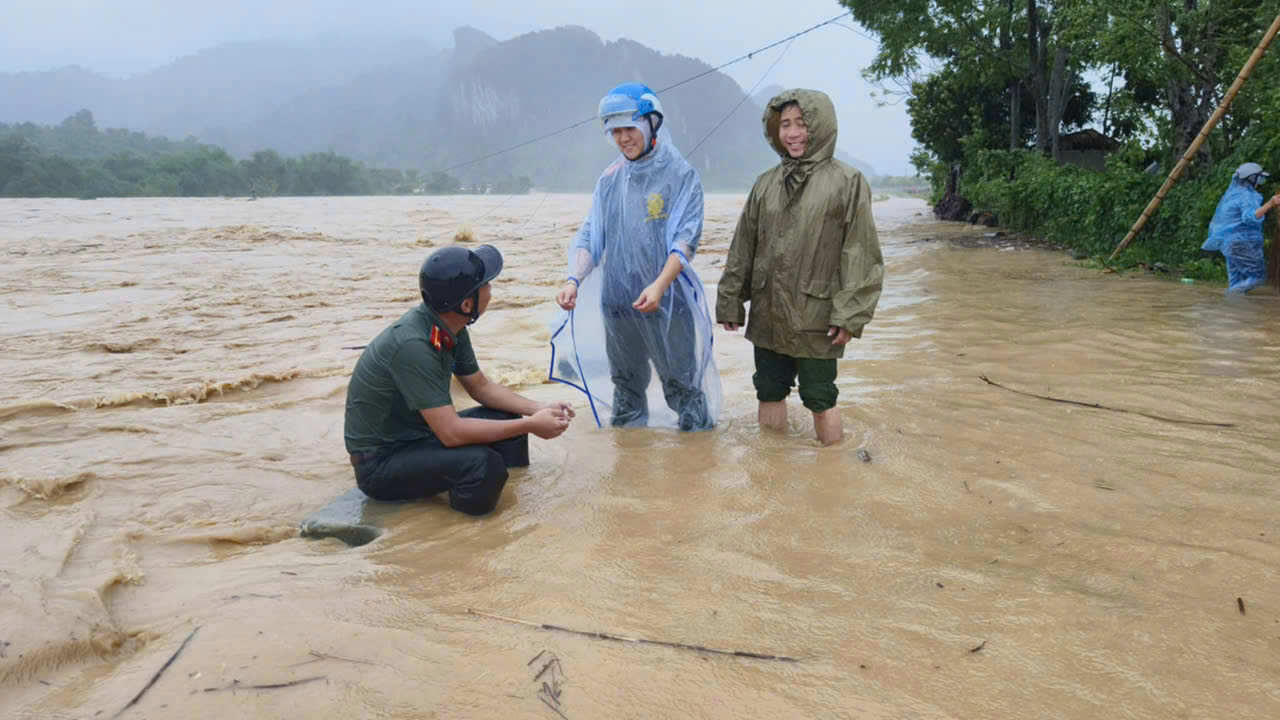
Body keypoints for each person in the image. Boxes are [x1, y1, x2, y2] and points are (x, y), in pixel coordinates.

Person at [344, 244, 575, 516]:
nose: (491, 288)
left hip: (416, 437)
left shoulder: (450, 326)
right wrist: (531, 425)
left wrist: (538, 409)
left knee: (507, 419)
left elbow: (480, 387)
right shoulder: (414, 346)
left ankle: (510, 502)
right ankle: (465, 527)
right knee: (483, 465)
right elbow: (451, 433)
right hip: (380, 464)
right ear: (467, 304)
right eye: (485, 284)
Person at [715, 89, 884, 446]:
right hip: (768, 310)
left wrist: (850, 314)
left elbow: (861, 252)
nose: (792, 133)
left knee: (820, 396)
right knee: (768, 389)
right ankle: (771, 465)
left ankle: (832, 468)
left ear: (820, 126)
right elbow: (743, 245)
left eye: (801, 124)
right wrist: (730, 299)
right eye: (785, 125)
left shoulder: (847, 182)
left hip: (817, 314)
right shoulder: (765, 184)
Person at [551, 83, 721, 431]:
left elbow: (686, 239)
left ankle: (698, 458)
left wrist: (659, 286)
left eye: (629, 128)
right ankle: (630, 456)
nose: (623, 138)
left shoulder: (680, 174)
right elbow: (591, 235)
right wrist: (573, 280)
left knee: (682, 384)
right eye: (615, 132)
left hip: (667, 301)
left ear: (651, 123)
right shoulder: (609, 179)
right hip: (617, 303)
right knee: (626, 385)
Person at [1201, 162, 1279, 293]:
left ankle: (1229, 304)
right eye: (1259, 178)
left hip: (1229, 244)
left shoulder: (1235, 193)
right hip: (1241, 243)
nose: (1260, 181)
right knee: (1258, 277)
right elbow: (1249, 217)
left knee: (1236, 281)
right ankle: (1227, 298)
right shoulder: (1246, 196)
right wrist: (1270, 204)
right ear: (1251, 178)